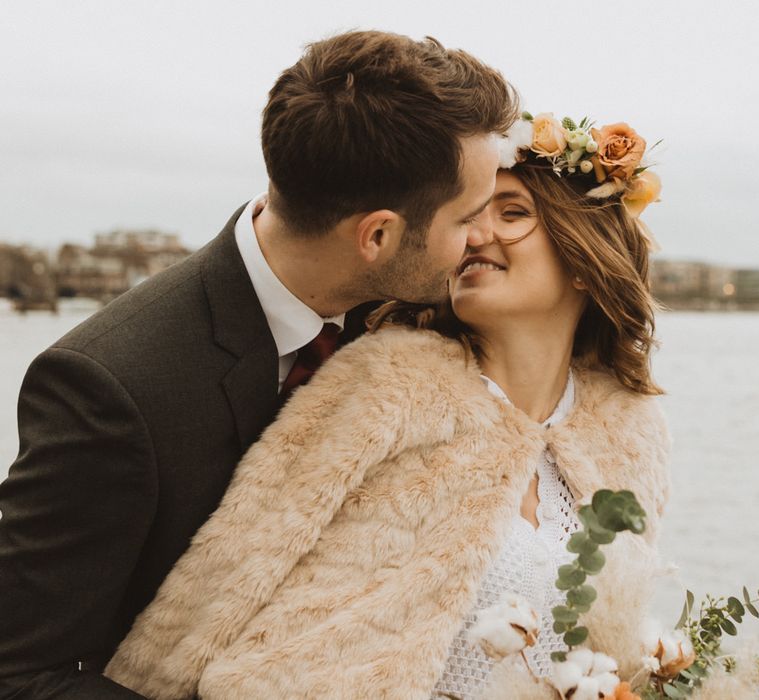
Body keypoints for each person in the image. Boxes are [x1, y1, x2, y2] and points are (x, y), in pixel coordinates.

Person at [0, 31, 515, 698]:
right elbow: (18, 671)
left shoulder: (411, 319)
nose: (482, 237)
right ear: (378, 235)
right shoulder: (112, 388)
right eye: (469, 216)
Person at [103, 113, 672, 699]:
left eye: (512, 213)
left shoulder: (631, 430)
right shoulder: (384, 383)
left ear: (585, 255)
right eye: (468, 216)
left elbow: (614, 647)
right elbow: (232, 570)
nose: (474, 236)